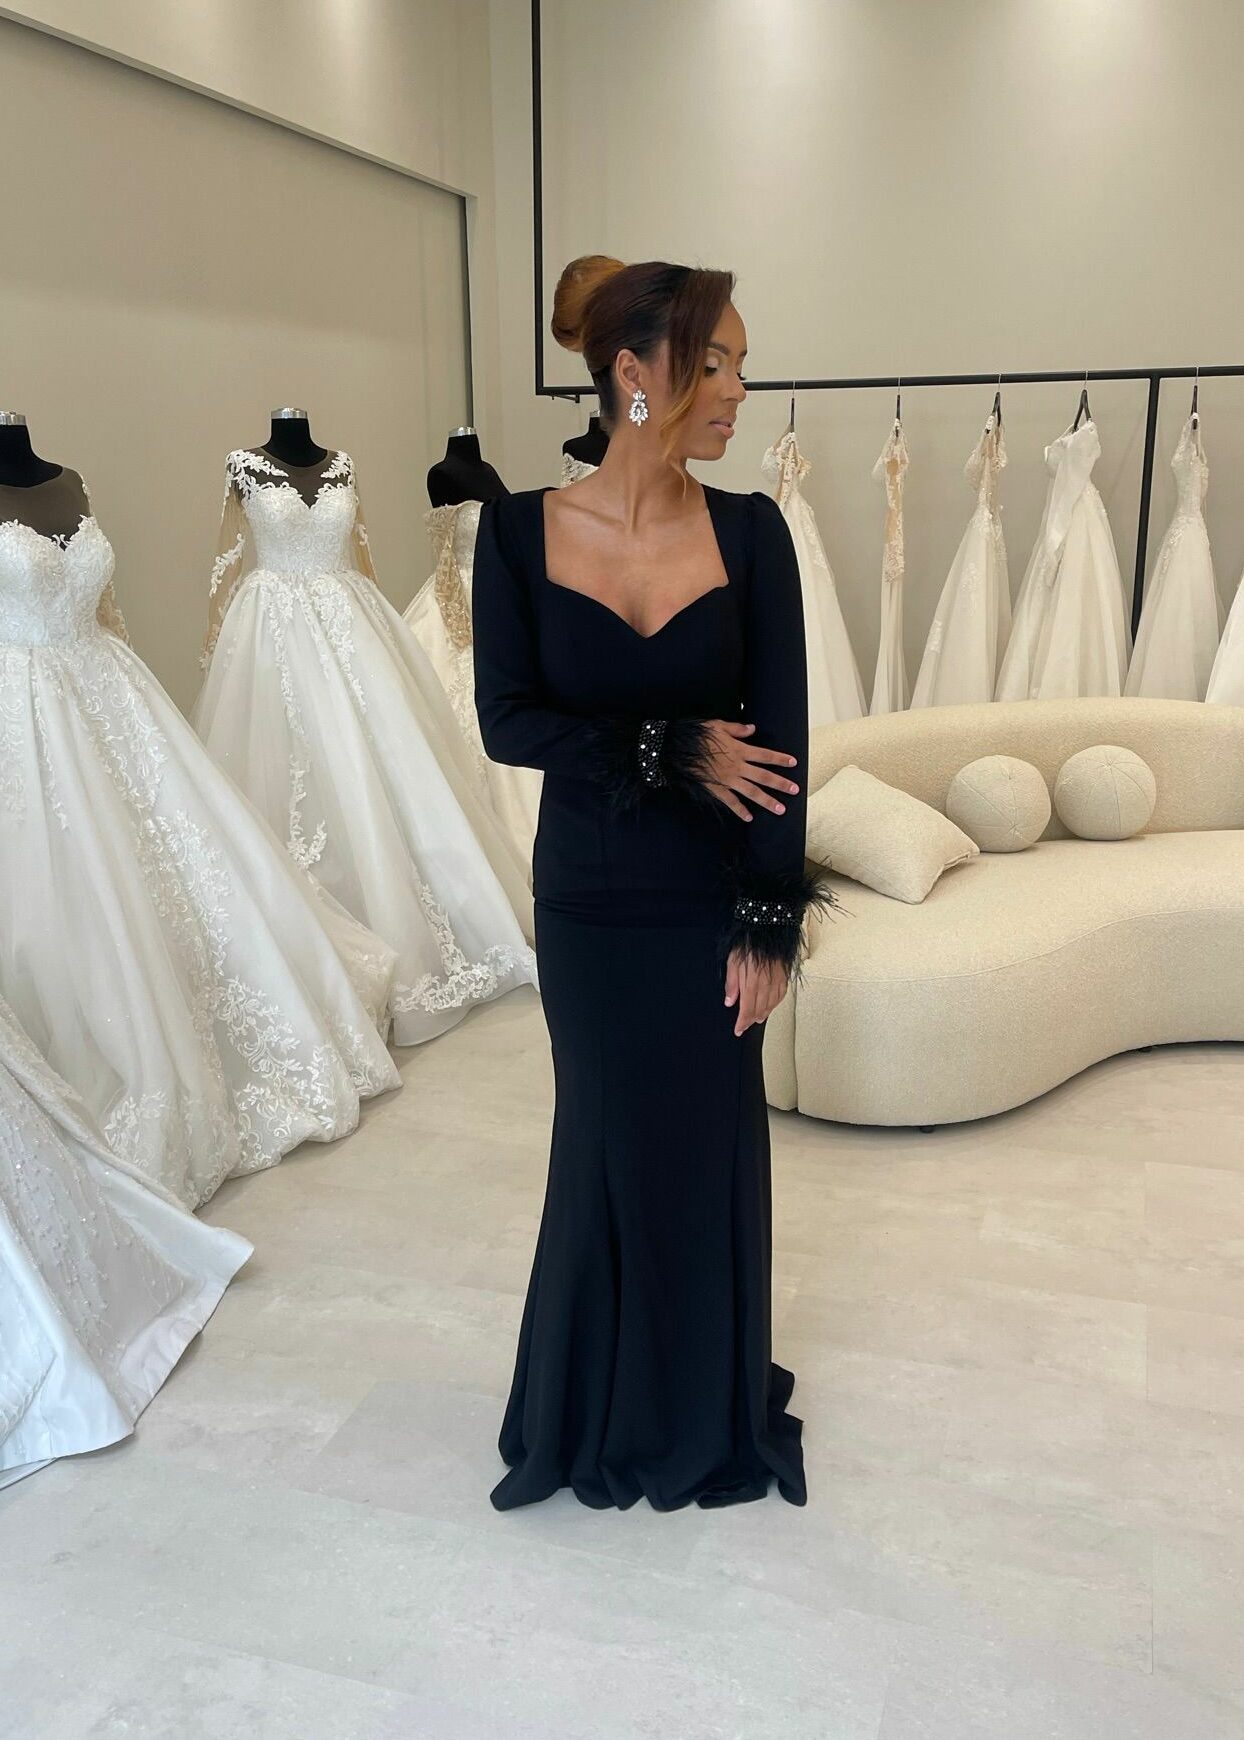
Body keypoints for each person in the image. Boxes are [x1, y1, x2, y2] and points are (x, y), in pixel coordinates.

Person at [473, 254, 836, 1512]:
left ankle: (695, 1410)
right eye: (713, 362)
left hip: (701, 903)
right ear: (634, 373)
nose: (736, 389)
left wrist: (768, 920)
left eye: (738, 364)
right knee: (601, 1142)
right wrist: (663, 746)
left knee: (703, 1149)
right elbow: (507, 720)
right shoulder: (516, 533)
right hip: (585, 903)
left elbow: (781, 748)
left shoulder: (750, 534)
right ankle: (586, 1409)